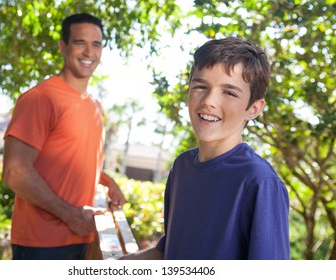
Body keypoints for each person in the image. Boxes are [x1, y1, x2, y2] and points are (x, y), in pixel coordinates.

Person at [120, 37, 290, 260]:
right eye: (200, 86)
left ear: (254, 109)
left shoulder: (259, 181)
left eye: (229, 92)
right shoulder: (182, 168)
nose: (209, 100)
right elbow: (167, 251)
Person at [2, 13, 126, 260]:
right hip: (41, 244)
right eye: (80, 42)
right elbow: (14, 171)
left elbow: (69, 161)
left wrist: (106, 181)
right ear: (63, 46)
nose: (89, 52)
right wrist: (71, 216)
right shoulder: (40, 98)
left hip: (81, 237)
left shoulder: (93, 106)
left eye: (96, 44)